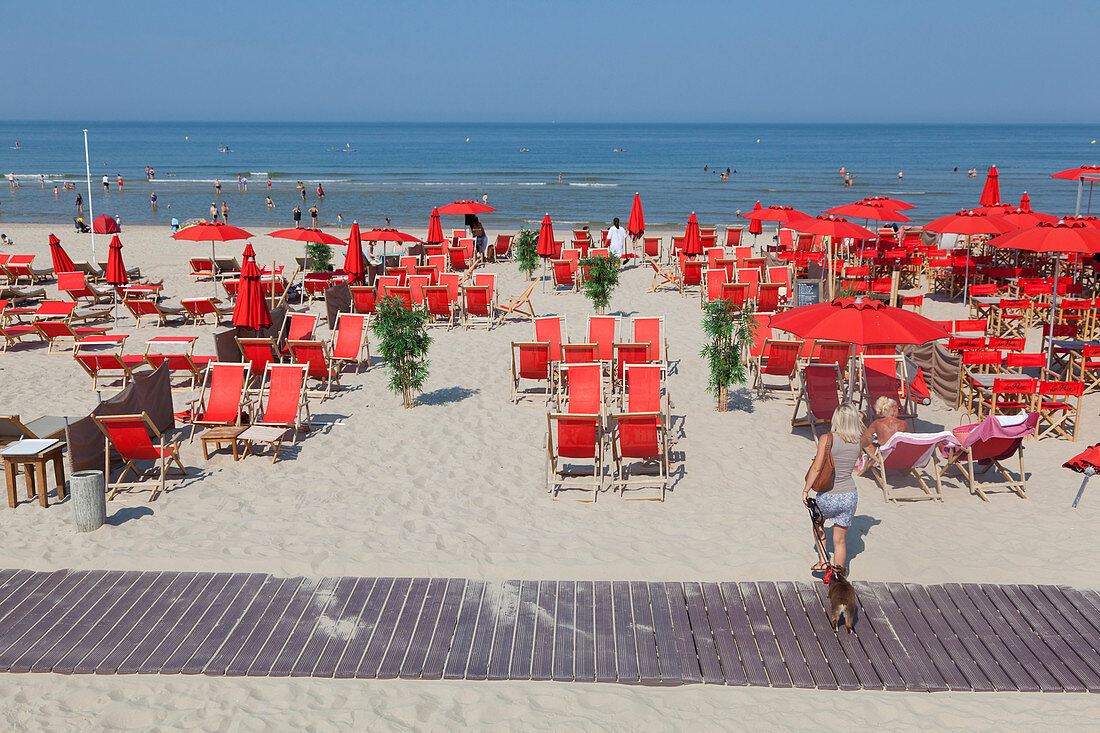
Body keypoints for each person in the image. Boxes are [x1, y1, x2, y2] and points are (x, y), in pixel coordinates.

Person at [803, 403, 864, 573]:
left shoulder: (827, 438)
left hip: (829, 495)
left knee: (817, 523)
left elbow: (816, 468)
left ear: (836, 418)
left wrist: (806, 490)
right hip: (849, 495)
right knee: (840, 540)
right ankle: (838, 574)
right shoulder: (858, 440)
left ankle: (823, 561)